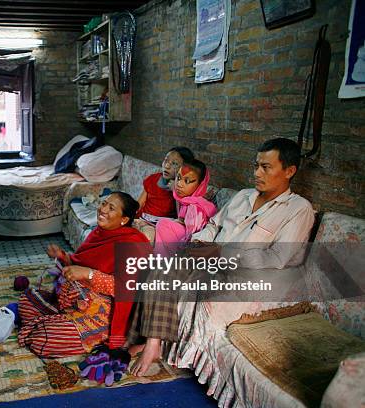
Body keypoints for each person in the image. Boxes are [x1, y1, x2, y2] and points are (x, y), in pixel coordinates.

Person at [128, 137, 315, 376]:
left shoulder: (298, 209)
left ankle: (153, 344)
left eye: (266, 167)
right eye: (256, 165)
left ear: (289, 171)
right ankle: (152, 342)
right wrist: (199, 242)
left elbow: (278, 257)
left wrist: (220, 253)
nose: (257, 173)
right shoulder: (243, 196)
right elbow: (214, 225)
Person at [18, 192, 150, 357]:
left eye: (111, 208)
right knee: (27, 299)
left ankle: (84, 331)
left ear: (124, 220)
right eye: (103, 204)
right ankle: (62, 321)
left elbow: (125, 288)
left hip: (100, 314)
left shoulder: (132, 244)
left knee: (42, 340)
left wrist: (89, 274)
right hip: (73, 303)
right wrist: (63, 257)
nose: (103, 210)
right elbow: (80, 262)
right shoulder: (98, 233)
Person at [154, 158, 217, 254]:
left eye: (187, 181)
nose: (179, 184)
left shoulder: (196, 208)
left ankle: (162, 259)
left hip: (188, 243)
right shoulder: (187, 200)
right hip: (185, 237)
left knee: (163, 224)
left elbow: (193, 237)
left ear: (200, 185)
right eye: (178, 178)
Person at [132, 147, 194, 242]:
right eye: (166, 160)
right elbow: (139, 204)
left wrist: (176, 191)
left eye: (174, 164)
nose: (167, 166)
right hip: (142, 219)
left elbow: (180, 218)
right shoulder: (153, 179)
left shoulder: (184, 188)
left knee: (146, 238)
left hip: (159, 227)